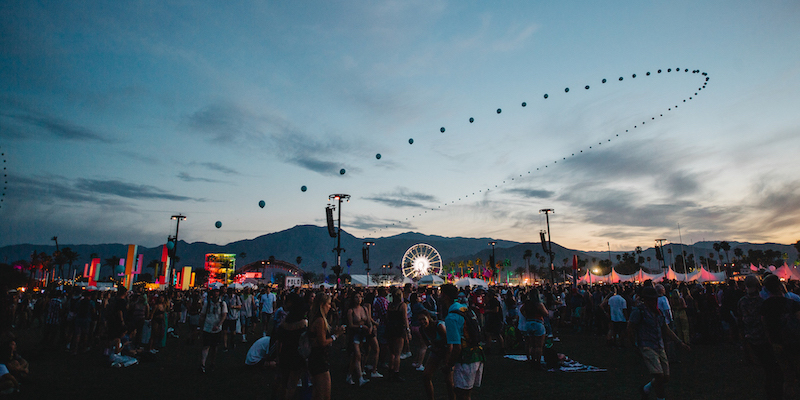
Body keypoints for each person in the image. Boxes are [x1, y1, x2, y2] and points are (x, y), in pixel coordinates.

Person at [629, 286, 689, 400]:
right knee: (659, 376)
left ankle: (646, 389)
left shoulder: (658, 312)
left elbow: (665, 329)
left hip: (659, 345)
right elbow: (630, 328)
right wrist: (635, 345)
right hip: (647, 345)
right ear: (645, 299)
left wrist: (679, 342)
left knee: (665, 377)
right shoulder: (639, 311)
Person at [760, 274, 800, 399]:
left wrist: (772, 341)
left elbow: (765, 326)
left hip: (777, 343)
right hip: (794, 342)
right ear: (780, 286)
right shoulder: (792, 303)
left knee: (787, 376)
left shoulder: (764, 306)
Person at [441, 284, 484, 400]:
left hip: (465, 359)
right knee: (466, 394)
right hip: (476, 355)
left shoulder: (452, 317)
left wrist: (448, 365)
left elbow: (456, 347)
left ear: (444, 296)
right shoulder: (465, 309)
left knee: (461, 394)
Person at [308, 292, 344, 400]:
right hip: (319, 359)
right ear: (322, 304)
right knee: (325, 393)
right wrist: (335, 336)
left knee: (317, 391)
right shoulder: (320, 321)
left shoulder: (315, 318)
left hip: (315, 357)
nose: (330, 306)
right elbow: (322, 342)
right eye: (328, 304)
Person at [418, 309, 454, 400]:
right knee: (426, 376)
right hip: (437, 351)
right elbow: (428, 344)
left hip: (448, 350)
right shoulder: (422, 329)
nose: (422, 322)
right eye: (420, 320)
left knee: (449, 380)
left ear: (428, 318)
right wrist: (434, 348)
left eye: (423, 319)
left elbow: (450, 344)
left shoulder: (439, 326)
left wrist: (447, 361)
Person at [199, 288, 227, 373]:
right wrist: (200, 326)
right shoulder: (207, 304)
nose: (216, 294)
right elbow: (203, 315)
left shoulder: (222, 304)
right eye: (214, 292)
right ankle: (203, 364)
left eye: (217, 292)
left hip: (216, 328)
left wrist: (219, 325)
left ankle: (212, 363)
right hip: (207, 327)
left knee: (214, 347)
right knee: (206, 346)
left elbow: (224, 315)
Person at [346, 291, 371, 386]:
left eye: (360, 297)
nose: (359, 299)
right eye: (356, 297)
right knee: (358, 355)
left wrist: (370, 328)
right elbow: (351, 325)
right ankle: (360, 378)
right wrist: (361, 327)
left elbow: (368, 320)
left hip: (363, 334)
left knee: (355, 357)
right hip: (355, 334)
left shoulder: (364, 309)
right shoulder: (351, 311)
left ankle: (349, 375)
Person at [386, 288, 411, 381]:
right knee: (398, 353)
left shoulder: (390, 305)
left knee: (392, 353)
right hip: (399, 329)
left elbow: (387, 317)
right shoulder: (402, 305)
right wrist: (408, 330)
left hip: (390, 329)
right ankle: (396, 372)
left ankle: (390, 370)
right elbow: (405, 318)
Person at [520, 289, 547, 370]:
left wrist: (526, 316)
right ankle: (537, 362)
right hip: (538, 323)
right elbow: (546, 313)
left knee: (531, 344)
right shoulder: (538, 304)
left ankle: (532, 360)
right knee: (538, 345)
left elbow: (521, 310)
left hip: (529, 323)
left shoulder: (527, 303)